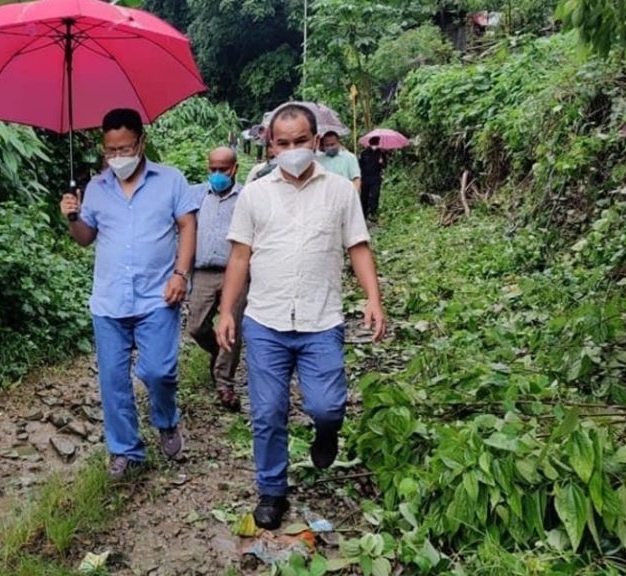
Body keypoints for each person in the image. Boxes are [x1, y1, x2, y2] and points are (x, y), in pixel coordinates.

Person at [215, 104, 387, 530]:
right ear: (270, 145)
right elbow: (239, 256)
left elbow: (358, 246)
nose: (292, 150)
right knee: (267, 412)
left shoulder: (340, 191)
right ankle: (272, 491)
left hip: (321, 318)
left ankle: (326, 432)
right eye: (283, 143)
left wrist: (373, 298)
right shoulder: (255, 194)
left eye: (300, 141)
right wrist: (225, 312)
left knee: (327, 406)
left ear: (315, 140)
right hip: (266, 320)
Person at [59, 108, 197, 480]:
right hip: (110, 301)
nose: (118, 157)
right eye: (110, 151)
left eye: (125, 148)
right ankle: (125, 450)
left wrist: (181, 273)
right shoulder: (97, 189)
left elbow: (187, 225)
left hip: (158, 296)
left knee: (158, 371)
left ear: (141, 142)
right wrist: (73, 217)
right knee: (113, 381)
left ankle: (167, 420)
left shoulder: (170, 180)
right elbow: (86, 239)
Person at [187, 146, 248, 412]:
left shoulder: (247, 197)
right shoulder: (196, 195)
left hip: (235, 273)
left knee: (231, 328)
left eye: (223, 169)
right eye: (213, 169)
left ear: (234, 169)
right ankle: (216, 351)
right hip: (203, 271)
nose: (217, 174)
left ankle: (225, 382)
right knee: (195, 326)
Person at [358, 136, 388, 220]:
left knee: (375, 195)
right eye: (374, 144)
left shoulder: (381, 153)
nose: (375, 145)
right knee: (364, 196)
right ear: (370, 144)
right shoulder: (364, 153)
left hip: (376, 178)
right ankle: (364, 213)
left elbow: (385, 165)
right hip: (365, 178)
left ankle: (373, 213)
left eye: (376, 144)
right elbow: (360, 165)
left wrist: (382, 163)